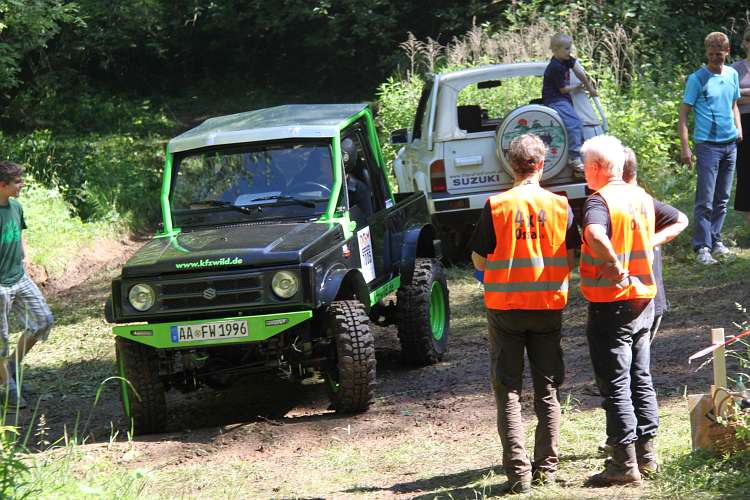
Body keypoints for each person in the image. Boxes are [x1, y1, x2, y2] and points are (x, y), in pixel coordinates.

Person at [469, 134, 580, 494]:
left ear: (509, 165)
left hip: (506, 309)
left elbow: (480, 259)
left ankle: (519, 476)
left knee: (509, 391)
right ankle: (547, 469)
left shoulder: (496, 205)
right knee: (547, 390)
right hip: (547, 307)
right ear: (543, 163)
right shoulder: (560, 206)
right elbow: (570, 258)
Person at [579, 136, 687, 486]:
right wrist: (648, 243)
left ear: (597, 167)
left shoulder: (599, 201)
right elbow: (680, 220)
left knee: (616, 383)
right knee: (640, 377)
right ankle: (648, 456)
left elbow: (595, 234)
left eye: (584, 166)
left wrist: (612, 264)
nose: (583, 172)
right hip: (644, 301)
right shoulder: (639, 197)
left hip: (612, 303)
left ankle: (623, 465)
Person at [678, 31, 742, 264]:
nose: (715, 58)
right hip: (707, 146)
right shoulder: (697, 79)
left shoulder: (732, 74)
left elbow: (734, 105)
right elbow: (683, 113)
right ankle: (702, 247)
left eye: (719, 54)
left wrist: (739, 128)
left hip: (730, 145)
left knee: (722, 198)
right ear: (706, 52)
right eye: (711, 54)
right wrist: (685, 147)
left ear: (727, 52)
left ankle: (716, 241)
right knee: (705, 199)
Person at [0, 161, 54, 410]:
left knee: (43, 321)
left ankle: (10, 368)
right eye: (18, 182)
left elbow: (20, 233)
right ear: (3, 185)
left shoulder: (16, 206)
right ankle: (9, 390)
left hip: (20, 278)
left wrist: (26, 257)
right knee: (1, 341)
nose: (22, 185)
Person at [622, 148, 688, 343]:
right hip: (634, 297)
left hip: (639, 299)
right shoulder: (639, 199)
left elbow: (681, 220)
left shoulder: (640, 200)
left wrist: (648, 242)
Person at [542, 33, 598, 173]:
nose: (569, 51)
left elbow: (579, 72)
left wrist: (590, 87)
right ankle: (574, 157)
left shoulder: (565, 60)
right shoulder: (555, 67)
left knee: (576, 123)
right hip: (554, 99)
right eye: (566, 49)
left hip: (563, 98)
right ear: (556, 50)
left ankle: (582, 155)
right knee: (574, 123)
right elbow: (563, 90)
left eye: (570, 48)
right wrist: (577, 87)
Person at [731, 27, 750, 227]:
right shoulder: (735, 69)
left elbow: (737, 95)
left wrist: (742, 93)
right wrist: (739, 96)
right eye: (749, 40)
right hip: (743, 124)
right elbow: (730, 98)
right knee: (746, 175)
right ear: (745, 43)